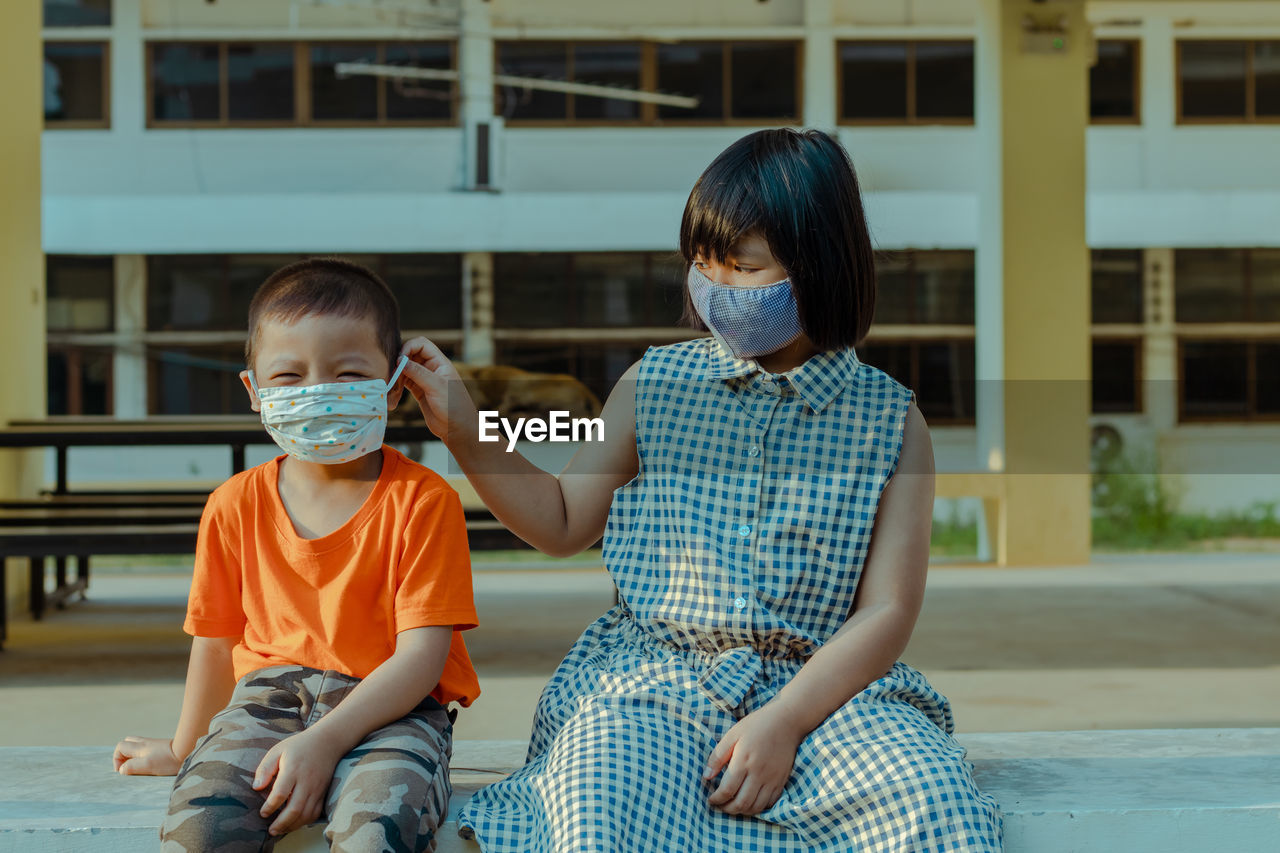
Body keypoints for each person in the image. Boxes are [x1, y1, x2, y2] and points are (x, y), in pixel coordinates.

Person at [399, 128, 1004, 852]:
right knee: (599, 797)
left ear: (824, 267)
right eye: (703, 262)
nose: (716, 285)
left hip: (827, 694)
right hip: (651, 681)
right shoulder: (651, 385)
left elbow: (885, 611)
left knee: (932, 801)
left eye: (744, 265)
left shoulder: (892, 421)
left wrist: (783, 720)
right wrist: (467, 430)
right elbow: (561, 519)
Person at [113, 257, 480, 853]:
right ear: (253, 391)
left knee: (377, 832)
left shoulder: (424, 501)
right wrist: (186, 749)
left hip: (395, 711)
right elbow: (213, 641)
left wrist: (324, 743)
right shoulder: (233, 504)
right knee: (199, 829)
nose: (318, 393)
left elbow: (420, 661)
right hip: (263, 703)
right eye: (289, 377)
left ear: (395, 383)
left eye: (348, 372)